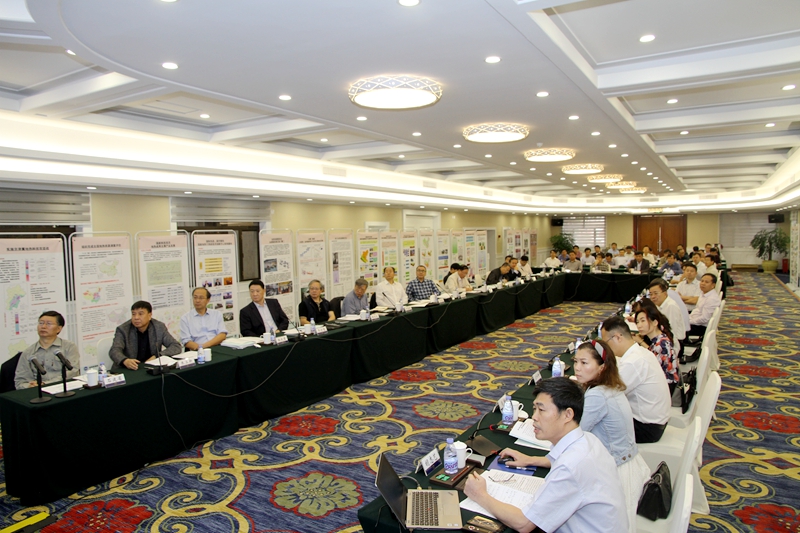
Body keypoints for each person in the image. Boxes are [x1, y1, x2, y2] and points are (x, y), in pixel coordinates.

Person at [463, 378, 628, 533]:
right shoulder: (588, 439)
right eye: (534, 408)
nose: (534, 417)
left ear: (568, 415)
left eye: (541, 410)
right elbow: (560, 460)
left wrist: (480, 495)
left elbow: (523, 524)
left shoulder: (570, 467)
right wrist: (531, 460)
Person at [601, 316, 671, 443]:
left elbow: (608, 393)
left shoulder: (633, 361)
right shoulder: (640, 352)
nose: (606, 348)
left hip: (647, 428)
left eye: (606, 343)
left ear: (617, 337)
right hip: (656, 421)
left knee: (597, 421)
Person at [15, 311, 80, 389]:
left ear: (59, 329)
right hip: (39, 391)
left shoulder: (69, 347)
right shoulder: (28, 352)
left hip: (64, 388)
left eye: (49, 324)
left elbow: (73, 372)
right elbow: (20, 381)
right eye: (41, 323)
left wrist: (45, 384)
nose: (43, 326)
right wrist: (30, 385)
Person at [110, 301, 182, 370]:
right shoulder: (123, 330)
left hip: (150, 367)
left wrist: (157, 356)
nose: (136, 317)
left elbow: (176, 346)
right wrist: (125, 360)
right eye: (133, 314)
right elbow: (114, 350)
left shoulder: (159, 327)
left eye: (140, 314)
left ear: (149, 315)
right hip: (128, 369)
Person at [635, 303, 681, 392]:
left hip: (665, 387)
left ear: (655, 322)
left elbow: (654, 369)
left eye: (643, 321)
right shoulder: (659, 338)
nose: (639, 325)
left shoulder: (662, 343)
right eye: (637, 322)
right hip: (663, 383)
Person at [647, 279, 686, 350]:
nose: (653, 297)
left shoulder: (671, 306)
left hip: (672, 344)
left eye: (656, 293)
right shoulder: (658, 305)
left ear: (665, 294)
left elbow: (670, 330)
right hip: (663, 339)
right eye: (651, 294)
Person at [688, 273, 722, 338]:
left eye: (706, 282)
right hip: (696, 321)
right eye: (702, 281)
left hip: (702, 327)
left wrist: (689, 321)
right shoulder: (703, 293)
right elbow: (697, 310)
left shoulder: (712, 299)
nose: (703, 283)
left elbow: (704, 319)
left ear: (713, 285)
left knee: (675, 328)